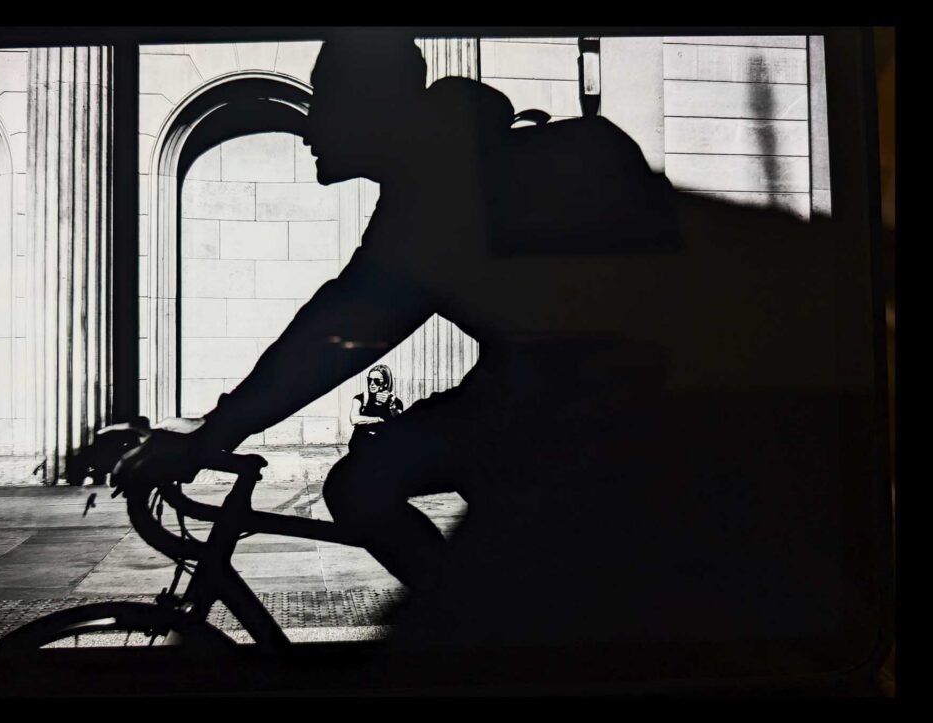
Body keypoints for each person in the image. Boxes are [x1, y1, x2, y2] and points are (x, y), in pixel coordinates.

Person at [113, 31, 834, 648]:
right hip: (592, 387)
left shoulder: (444, 187)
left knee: (372, 491)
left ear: (375, 109)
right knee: (374, 484)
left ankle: (483, 635)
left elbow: (343, 330)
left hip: (616, 403)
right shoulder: (458, 168)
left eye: (324, 104)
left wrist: (214, 433)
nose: (310, 128)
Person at [349, 365, 404, 449]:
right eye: (369, 380)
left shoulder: (396, 402)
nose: (372, 384)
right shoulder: (362, 398)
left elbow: (399, 421)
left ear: (385, 383)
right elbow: (354, 419)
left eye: (377, 381)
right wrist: (377, 419)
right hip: (361, 443)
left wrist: (392, 407)